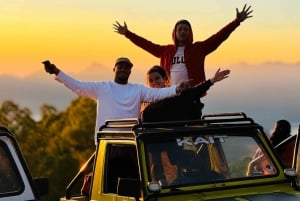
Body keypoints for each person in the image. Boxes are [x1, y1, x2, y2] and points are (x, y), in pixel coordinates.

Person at [43, 57, 190, 144]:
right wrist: (56, 72)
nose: (123, 70)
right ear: (114, 69)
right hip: (106, 143)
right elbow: (78, 87)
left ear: (130, 72)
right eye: (120, 67)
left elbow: (156, 94)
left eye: (127, 68)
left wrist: (177, 89)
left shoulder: (137, 89)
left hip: (130, 142)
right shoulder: (102, 87)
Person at [113, 4, 252, 88]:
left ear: (190, 33)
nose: (183, 31)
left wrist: (236, 22)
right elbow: (145, 44)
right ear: (175, 32)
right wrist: (127, 33)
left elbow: (218, 37)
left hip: (192, 94)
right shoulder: (165, 51)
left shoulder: (199, 48)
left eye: (186, 29)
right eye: (180, 29)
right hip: (170, 92)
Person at [141, 65, 230, 122]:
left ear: (165, 79)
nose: (154, 82)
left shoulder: (175, 94)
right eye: (151, 80)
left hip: (177, 138)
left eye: (157, 78)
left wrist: (212, 80)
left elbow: (194, 92)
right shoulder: (146, 103)